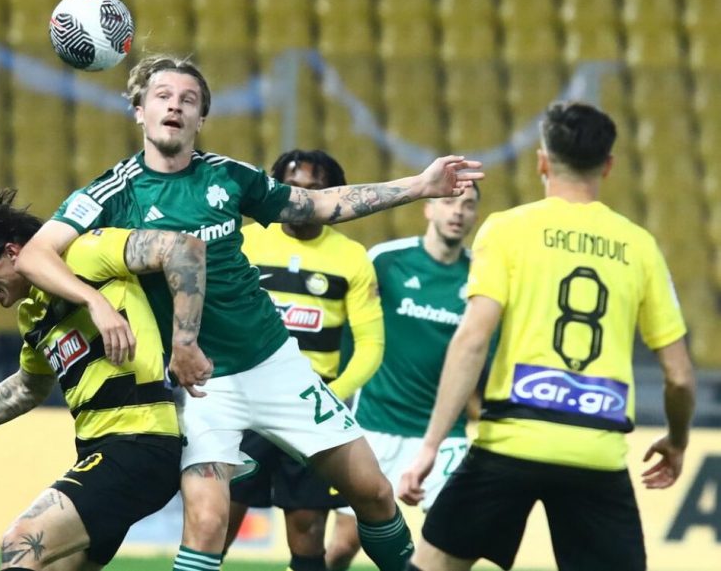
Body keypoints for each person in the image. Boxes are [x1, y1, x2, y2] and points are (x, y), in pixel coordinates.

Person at [15, 54, 484, 571]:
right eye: (163, 97)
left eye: (188, 100)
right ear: (139, 110)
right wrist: (96, 303)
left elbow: (317, 205)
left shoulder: (228, 176)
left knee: (373, 493)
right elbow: (35, 255)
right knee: (207, 524)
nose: (175, 106)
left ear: (200, 118)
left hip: (273, 363)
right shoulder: (113, 191)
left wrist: (420, 186)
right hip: (200, 384)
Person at [399, 102, 696, 571]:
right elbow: (679, 377)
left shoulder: (507, 230)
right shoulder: (640, 247)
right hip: (595, 452)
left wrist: (430, 446)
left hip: (510, 443)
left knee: (431, 565)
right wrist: (677, 441)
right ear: (608, 165)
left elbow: (472, 341)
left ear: (542, 161)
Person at [0, 185, 211, 571]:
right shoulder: (32, 315)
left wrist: (183, 343)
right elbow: (25, 388)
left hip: (141, 442)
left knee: (21, 541)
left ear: (12, 253)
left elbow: (183, 249)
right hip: (98, 452)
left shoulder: (85, 254)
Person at [225, 149, 385, 571]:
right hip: (244, 403)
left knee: (308, 531)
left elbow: (371, 345)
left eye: (314, 189)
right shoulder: (245, 243)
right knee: (214, 524)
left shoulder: (352, 257)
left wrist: (331, 396)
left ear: (333, 196)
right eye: (292, 187)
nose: (301, 197)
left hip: (312, 408)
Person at [325, 183, 482, 571]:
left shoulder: (481, 275)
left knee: (450, 545)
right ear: (428, 209)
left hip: (444, 435)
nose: (458, 211)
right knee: (342, 547)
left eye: (468, 205)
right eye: (449, 202)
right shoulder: (386, 260)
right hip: (375, 424)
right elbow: (351, 327)